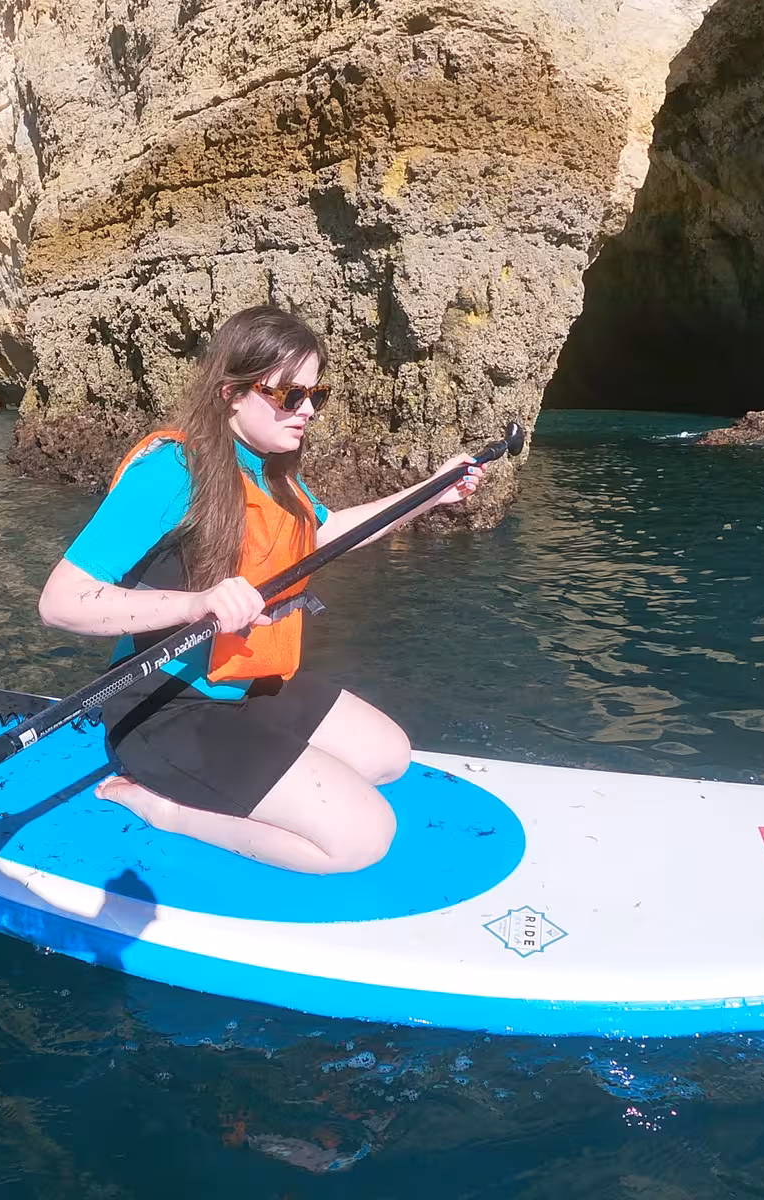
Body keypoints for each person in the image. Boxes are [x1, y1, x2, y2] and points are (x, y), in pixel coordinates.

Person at [37, 306, 483, 874]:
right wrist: (196, 603)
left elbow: (327, 534)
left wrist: (430, 493)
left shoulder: (271, 472)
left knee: (388, 757)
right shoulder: (171, 471)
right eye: (290, 395)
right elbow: (61, 602)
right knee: (361, 840)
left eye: (315, 394)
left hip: (248, 687)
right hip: (167, 709)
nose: (308, 410)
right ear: (232, 393)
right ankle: (165, 808)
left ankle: (263, 772)